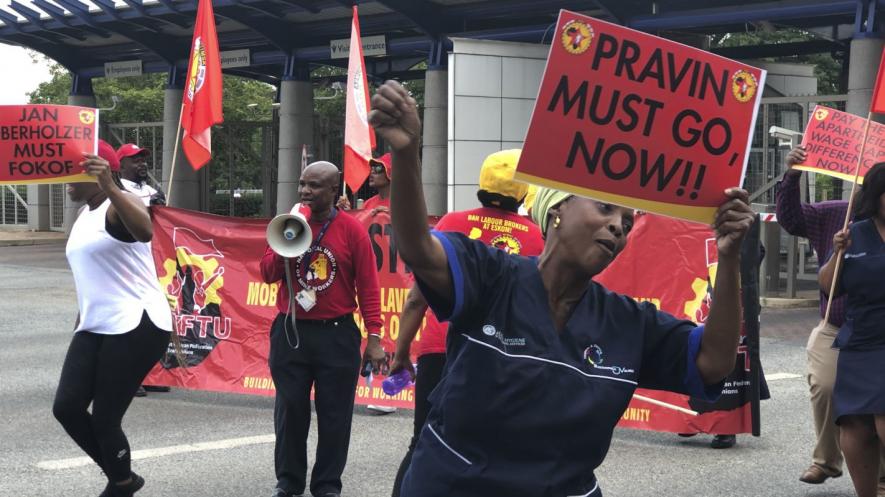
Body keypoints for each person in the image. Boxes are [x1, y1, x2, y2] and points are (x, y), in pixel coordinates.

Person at [370, 80, 753, 496]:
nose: (617, 228)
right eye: (606, 209)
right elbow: (418, 249)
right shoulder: (493, 276)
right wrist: (406, 155)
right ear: (556, 210)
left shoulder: (628, 321)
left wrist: (729, 257)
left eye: (627, 223)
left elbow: (714, 363)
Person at [388, 149, 545, 496]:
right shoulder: (535, 238)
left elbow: (417, 297)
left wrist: (401, 353)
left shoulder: (451, 223)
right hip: (501, 355)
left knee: (424, 441)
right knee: (489, 447)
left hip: (438, 349)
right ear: (521, 191)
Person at [52, 140, 172, 497]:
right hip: (95, 324)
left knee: (105, 418)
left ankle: (120, 485)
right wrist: (80, 322)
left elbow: (145, 230)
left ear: (99, 170)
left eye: (73, 172)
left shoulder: (119, 205)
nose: (66, 181)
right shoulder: (84, 214)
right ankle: (124, 477)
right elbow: (92, 277)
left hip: (137, 324)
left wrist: (110, 186)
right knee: (67, 408)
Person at [260, 161, 387, 497]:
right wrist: (288, 237)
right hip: (291, 332)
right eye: (302, 184)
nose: (305, 191)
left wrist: (374, 337)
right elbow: (267, 273)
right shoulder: (288, 223)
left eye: (314, 186)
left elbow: (368, 287)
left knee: (335, 416)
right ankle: (288, 483)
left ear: (334, 190)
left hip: (337, 334)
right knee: (290, 412)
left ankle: (327, 485)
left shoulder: (351, 230)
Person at [777, 146, 885, 489]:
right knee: (843, 407)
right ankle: (827, 462)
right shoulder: (843, 221)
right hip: (849, 334)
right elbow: (791, 219)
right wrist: (792, 174)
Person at [819, 162, 885, 497]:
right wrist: (838, 253)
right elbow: (830, 288)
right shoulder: (854, 232)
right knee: (856, 425)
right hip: (861, 341)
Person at [116, 142, 169, 398]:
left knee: (152, 323)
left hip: (152, 262)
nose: (142, 163)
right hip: (127, 265)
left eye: (143, 159)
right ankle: (126, 375)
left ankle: (149, 374)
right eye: (135, 159)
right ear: (120, 165)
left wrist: (163, 207)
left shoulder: (150, 190)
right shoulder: (117, 192)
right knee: (130, 322)